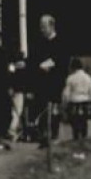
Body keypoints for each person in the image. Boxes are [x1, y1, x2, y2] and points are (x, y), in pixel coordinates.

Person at [29, 14, 69, 147]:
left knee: (53, 109)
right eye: (41, 27)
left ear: (52, 26)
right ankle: (43, 136)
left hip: (55, 82)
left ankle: (53, 135)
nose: (42, 29)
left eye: (44, 27)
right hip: (41, 83)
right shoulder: (39, 43)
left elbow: (62, 63)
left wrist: (50, 66)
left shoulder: (61, 43)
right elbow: (33, 61)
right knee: (41, 108)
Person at [61, 59, 91, 142]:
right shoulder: (88, 78)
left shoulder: (71, 78)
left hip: (74, 102)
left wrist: (65, 104)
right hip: (85, 102)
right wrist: (89, 99)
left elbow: (66, 93)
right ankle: (84, 139)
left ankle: (75, 139)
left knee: (74, 123)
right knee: (84, 122)